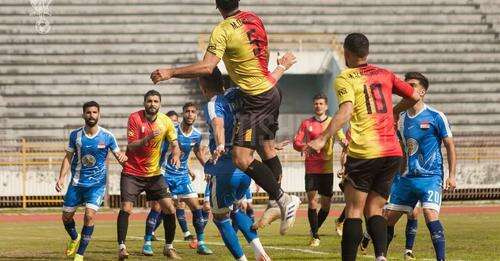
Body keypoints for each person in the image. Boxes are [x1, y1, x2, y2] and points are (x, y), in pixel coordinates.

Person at [150, 0, 301, 235]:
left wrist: (170, 72)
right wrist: (278, 69)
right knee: (267, 148)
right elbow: (263, 54)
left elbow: (207, 67)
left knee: (241, 158)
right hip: (271, 91)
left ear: (217, 5)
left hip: (257, 98)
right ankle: (274, 203)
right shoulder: (254, 18)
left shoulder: (223, 30)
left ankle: (283, 198)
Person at [307, 33, 420, 261]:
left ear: (346, 53)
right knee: (375, 210)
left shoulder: (346, 77)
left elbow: (346, 111)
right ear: (366, 52)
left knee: (354, 211)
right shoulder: (384, 74)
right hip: (391, 151)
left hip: (366, 150)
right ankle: (381, 256)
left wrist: (322, 138)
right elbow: (415, 95)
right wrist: (395, 111)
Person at [384, 72, 457, 261]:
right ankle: (380, 256)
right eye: (405, 85)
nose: (407, 88)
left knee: (429, 213)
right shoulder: (399, 118)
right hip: (407, 178)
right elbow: (400, 150)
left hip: (431, 177)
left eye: (412, 85)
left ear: (422, 91)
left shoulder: (436, 116)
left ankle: (441, 258)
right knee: (388, 219)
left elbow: (449, 145)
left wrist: (452, 175)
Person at [200, 67, 271, 261]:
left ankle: (242, 259)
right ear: (223, 83)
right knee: (235, 209)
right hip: (245, 166)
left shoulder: (213, 103)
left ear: (202, 87)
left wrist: (220, 144)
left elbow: (218, 124)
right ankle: (259, 251)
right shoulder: (235, 95)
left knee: (221, 218)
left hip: (224, 167)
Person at [56, 101, 127, 261]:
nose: (91, 115)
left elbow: (120, 158)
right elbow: (68, 158)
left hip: (96, 186)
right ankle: (75, 238)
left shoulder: (107, 136)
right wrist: (61, 177)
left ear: (99, 114)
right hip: (76, 184)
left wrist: (123, 159)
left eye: (94, 112)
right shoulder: (75, 135)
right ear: (83, 115)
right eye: (88, 112)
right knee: (66, 217)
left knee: (89, 216)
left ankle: (80, 254)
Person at [117, 90, 182, 260]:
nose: (152, 104)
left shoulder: (166, 121)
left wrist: (176, 154)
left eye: (155, 101)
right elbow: (131, 146)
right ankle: (122, 247)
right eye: (149, 101)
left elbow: (175, 144)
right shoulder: (135, 118)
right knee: (126, 208)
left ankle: (168, 247)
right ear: (144, 102)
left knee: (169, 208)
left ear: (160, 104)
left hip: (154, 173)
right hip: (132, 172)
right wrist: (147, 139)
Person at [143, 102, 213, 256]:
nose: (190, 114)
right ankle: (147, 243)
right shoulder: (172, 130)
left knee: (196, 207)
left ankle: (201, 243)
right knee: (157, 208)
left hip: (182, 177)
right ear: (183, 114)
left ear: (196, 115)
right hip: (164, 174)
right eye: (187, 111)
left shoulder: (197, 134)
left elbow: (198, 152)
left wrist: (209, 168)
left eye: (193, 111)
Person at [293, 93, 347, 247]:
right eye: (316, 103)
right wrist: (304, 147)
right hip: (311, 167)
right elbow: (296, 142)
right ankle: (315, 236)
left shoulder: (332, 122)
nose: (318, 106)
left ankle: (314, 229)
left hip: (327, 168)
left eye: (321, 103)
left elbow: (341, 136)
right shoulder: (306, 123)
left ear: (326, 106)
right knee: (312, 202)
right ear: (313, 105)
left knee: (326, 205)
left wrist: (344, 142)